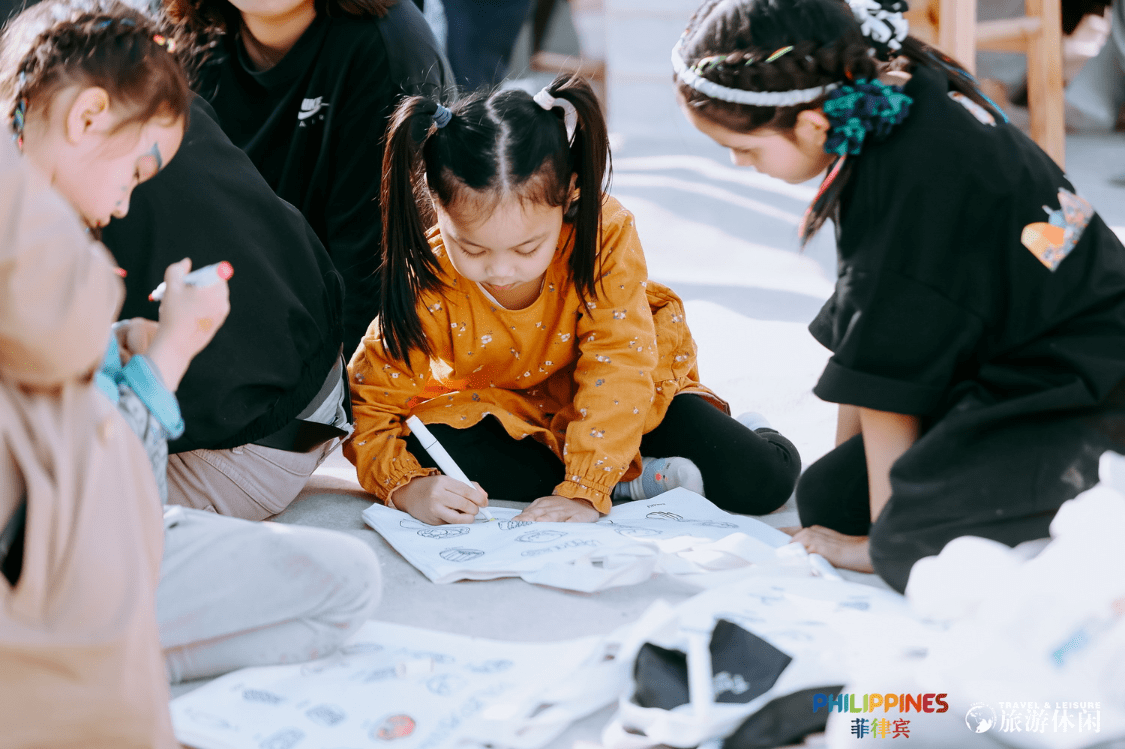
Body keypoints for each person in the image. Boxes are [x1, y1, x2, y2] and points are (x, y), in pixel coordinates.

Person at [672, 0, 1125, 591]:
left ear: (811, 125)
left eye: (746, 148)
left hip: (1090, 382)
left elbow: (887, 376)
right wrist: (855, 501)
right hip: (1016, 353)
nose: (738, 163)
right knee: (830, 497)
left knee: (917, 539)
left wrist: (884, 543)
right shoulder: (897, 99)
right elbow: (868, 339)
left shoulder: (903, 184)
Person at [2, 0, 382, 684]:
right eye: (136, 172)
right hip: (59, 566)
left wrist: (116, 345)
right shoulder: (41, 245)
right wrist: (170, 352)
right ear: (88, 115)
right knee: (347, 586)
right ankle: (72, 672)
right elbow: (118, 499)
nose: (124, 205)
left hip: (56, 546)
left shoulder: (35, 209)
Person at [346, 74, 802, 525]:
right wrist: (405, 486)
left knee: (762, 481)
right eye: (473, 248)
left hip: (623, 394)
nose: (501, 271)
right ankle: (629, 481)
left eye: (527, 248)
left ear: (568, 198)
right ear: (437, 206)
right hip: (506, 409)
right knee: (427, 450)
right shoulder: (429, 273)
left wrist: (585, 489)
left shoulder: (602, 233)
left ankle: (671, 454)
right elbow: (371, 397)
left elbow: (618, 360)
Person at [164, 0, 453, 354]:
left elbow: (374, 293)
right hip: (200, 331)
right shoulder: (184, 31)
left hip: (330, 354)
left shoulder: (388, 51)